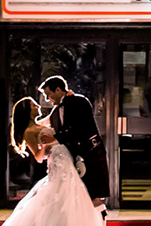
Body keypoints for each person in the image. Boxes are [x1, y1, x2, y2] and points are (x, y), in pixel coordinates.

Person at [0, 107, 107, 226]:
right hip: (56, 160)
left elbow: (56, 112)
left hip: (65, 158)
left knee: (69, 195)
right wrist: (46, 146)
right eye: (35, 105)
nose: (39, 107)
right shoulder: (30, 131)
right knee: (57, 195)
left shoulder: (42, 122)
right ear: (28, 110)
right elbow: (38, 157)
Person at [40, 75, 110, 218]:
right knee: (80, 194)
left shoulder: (80, 102)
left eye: (49, 95)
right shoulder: (55, 111)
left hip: (90, 151)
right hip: (73, 154)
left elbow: (80, 129)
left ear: (58, 90)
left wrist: (55, 138)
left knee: (94, 195)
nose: (48, 99)